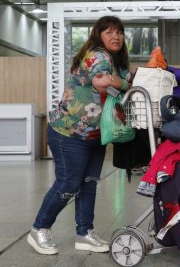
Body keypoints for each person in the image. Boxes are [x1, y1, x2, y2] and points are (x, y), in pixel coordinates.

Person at [28, 16, 132, 255]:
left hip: (95, 133)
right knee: (68, 183)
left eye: (119, 32)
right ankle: (39, 228)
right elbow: (102, 82)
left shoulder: (117, 61)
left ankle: (84, 232)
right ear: (98, 36)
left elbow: (123, 78)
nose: (115, 36)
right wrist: (125, 84)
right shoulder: (97, 54)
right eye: (109, 32)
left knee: (89, 184)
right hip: (69, 131)